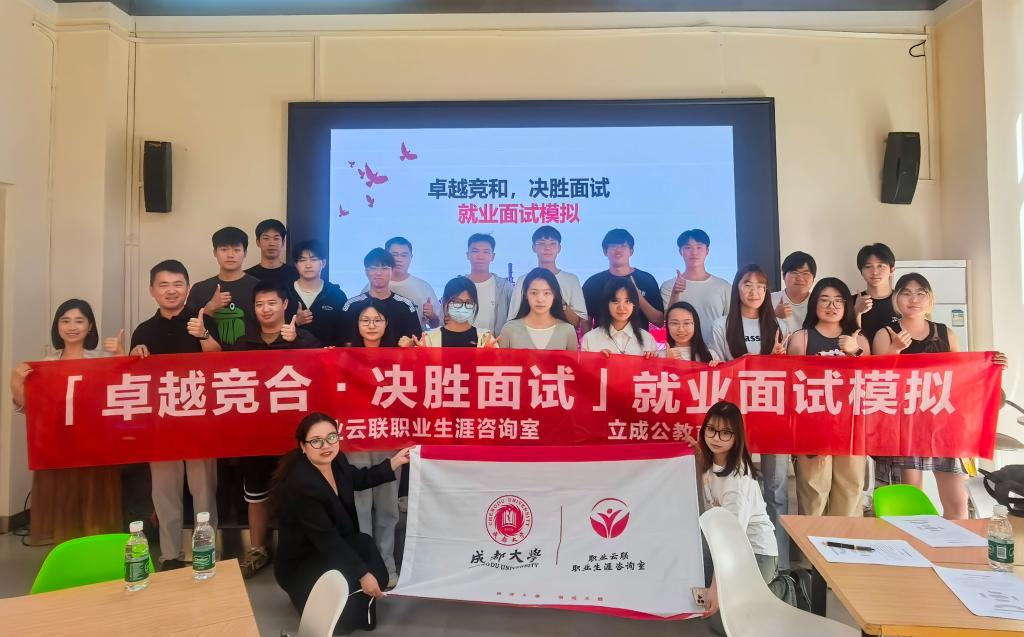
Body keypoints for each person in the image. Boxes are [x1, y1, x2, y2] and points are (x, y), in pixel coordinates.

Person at [871, 273, 1009, 519]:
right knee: (910, 500)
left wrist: (992, 367)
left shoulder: (945, 333)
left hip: (945, 423)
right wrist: (895, 350)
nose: (913, 299)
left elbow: (962, 377)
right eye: (906, 293)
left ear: (930, 299)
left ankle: (953, 544)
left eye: (920, 293)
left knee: (957, 501)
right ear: (896, 299)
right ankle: (912, 544)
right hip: (905, 424)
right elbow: (879, 380)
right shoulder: (886, 333)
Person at [271, 412, 412, 634]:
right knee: (343, 623)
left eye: (331, 437)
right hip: (302, 562)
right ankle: (310, 595)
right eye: (316, 441)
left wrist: (394, 463)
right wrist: (363, 575)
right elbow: (328, 540)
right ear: (303, 446)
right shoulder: (302, 484)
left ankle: (351, 599)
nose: (326, 446)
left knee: (367, 549)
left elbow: (359, 478)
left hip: (326, 549)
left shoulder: (337, 461)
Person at [128, 260, 221, 570]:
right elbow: (134, 381)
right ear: (152, 291)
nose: (171, 291)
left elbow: (221, 364)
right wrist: (133, 357)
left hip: (200, 422)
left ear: (188, 288)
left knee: (204, 493)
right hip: (161, 425)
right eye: (164, 285)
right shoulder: (143, 331)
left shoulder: (202, 321)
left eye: (177, 284)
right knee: (164, 494)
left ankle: (206, 553)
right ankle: (170, 556)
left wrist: (203, 335)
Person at [10, 299, 126, 544]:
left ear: (90, 326)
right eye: (65, 321)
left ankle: (95, 559)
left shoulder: (103, 359)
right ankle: (69, 558)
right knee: (64, 513)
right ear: (57, 326)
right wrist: (16, 384)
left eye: (79, 321)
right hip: (60, 448)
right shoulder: (45, 364)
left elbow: (124, 394)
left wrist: (121, 357)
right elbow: (32, 410)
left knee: (96, 511)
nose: (72, 327)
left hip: (95, 448)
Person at [226, 281, 321, 577]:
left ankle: (302, 552)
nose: (265, 309)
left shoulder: (305, 339)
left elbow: (321, 369)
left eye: (271, 303)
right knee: (256, 495)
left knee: (298, 492)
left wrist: (296, 342)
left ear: (285, 305)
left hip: (294, 435)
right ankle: (257, 550)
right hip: (255, 434)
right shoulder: (243, 343)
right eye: (259, 305)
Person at [709, 264, 789, 570]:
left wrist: (778, 360)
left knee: (776, 488)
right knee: (736, 484)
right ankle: (733, 561)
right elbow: (719, 369)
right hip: (737, 416)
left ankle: (778, 561)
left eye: (760, 286)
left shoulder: (779, 325)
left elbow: (788, 370)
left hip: (772, 414)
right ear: (737, 288)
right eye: (747, 284)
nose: (754, 291)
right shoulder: (722, 325)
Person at [694, 401, 795, 629]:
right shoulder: (711, 462)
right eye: (711, 429)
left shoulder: (737, 483)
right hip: (726, 546)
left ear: (736, 437)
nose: (716, 437)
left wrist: (717, 589)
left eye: (725, 433)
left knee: (731, 619)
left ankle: (780, 588)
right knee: (710, 605)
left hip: (756, 553)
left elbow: (731, 543)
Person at [786, 277, 870, 519]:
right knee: (813, 495)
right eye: (824, 300)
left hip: (850, 428)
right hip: (813, 427)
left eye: (838, 301)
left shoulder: (859, 339)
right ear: (814, 305)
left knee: (850, 493)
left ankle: (846, 544)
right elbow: (792, 382)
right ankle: (810, 545)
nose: (831, 306)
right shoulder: (802, 338)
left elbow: (872, 382)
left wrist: (856, 352)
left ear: (846, 306)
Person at [346, 301, 404, 586]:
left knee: (387, 507)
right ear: (357, 325)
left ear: (386, 324)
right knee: (359, 506)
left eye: (377, 320)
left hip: (389, 438)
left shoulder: (401, 357)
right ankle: (365, 568)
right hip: (355, 439)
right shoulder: (344, 357)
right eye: (365, 320)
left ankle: (387, 567)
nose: (371, 325)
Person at [186, 226, 260, 346]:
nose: (230, 255)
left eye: (236, 250)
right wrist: (209, 308)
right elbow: (187, 329)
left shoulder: (259, 288)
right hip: (208, 355)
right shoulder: (199, 289)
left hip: (251, 354)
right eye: (224, 249)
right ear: (215, 252)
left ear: (245, 253)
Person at [507, 226, 587, 328]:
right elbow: (513, 319)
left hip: (562, 336)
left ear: (559, 248)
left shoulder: (571, 280)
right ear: (533, 248)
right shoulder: (523, 280)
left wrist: (560, 302)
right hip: (528, 336)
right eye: (541, 243)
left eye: (552, 243)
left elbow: (577, 322)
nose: (547, 248)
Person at [659, 229, 731, 343]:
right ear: (680, 251)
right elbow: (665, 321)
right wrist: (675, 293)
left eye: (699, 247)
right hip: (680, 351)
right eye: (688, 248)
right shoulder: (669, 286)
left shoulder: (723, 286)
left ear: (707, 251)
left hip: (715, 350)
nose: (694, 252)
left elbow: (731, 322)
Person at [582, 229, 663, 329]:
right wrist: (588, 339)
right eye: (613, 246)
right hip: (602, 338)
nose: (618, 250)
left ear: (631, 251)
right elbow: (586, 319)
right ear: (605, 252)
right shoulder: (593, 283)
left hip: (638, 338)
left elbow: (659, 321)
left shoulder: (646, 280)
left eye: (623, 246)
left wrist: (638, 297)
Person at [341, 248, 420, 347]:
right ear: (366, 272)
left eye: (384, 268)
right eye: (373, 268)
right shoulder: (351, 306)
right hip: (359, 357)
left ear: (392, 271)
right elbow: (342, 342)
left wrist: (411, 343)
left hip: (396, 357)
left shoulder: (406, 306)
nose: (378, 273)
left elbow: (416, 340)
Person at [360, 237, 439, 332]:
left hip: (415, 340)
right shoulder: (371, 287)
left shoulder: (423, 287)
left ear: (411, 258)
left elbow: (438, 326)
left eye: (404, 255)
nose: (399, 259)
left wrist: (432, 316)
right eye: (394, 255)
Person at [398, 276, 497, 348]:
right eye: (457, 301)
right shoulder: (429, 339)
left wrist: (488, 356)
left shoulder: (485, 338)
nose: (463, 306)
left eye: (468, 302)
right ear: (445, 302)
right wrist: (412, 350)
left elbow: (496, 367)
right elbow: (422, 368)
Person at [497, 268, 578, 351]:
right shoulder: (509, 329)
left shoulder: (568, 331)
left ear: (554, 295)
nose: (540, 299)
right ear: (526, 294)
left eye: (546, 293)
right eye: (534, 293)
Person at [288, 239, 347, 347]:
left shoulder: (337, 295)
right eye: (302, 260)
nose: (308, 265)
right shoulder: (285, 293)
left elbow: (344, 332)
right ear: (296, 264)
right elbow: (273, 330)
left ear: (323, 263)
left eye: (313, 259)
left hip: (327, 355)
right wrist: (296, 322)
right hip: (292, 354)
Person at [581, 276, 657, 356]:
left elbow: (654, 364)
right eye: (615, 301)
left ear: (634, 304)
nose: (621, 307)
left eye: (627, 301)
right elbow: (584, 364)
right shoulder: (590, 338)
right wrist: (596, 360)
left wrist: (652, 359)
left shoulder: (647, 339)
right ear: (607, 304)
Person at [465, 233, 513, 336]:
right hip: (461, 344)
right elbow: (444, 320)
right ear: (467, 255)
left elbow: (514, 321)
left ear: (493, 256)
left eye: (486, 252)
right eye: (475, 251)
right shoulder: (457, 286)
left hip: (494, 344)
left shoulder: (504, 287)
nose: (480, 256)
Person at [853, 243, 900, 343]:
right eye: (868, 266)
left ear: (892, 270)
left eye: (880, 266)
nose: (874, 272)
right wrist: (856, 312)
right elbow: (847, 339)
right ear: (861, 271)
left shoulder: (902, 300)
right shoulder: (851, 302)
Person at [771, 251, 816, 336]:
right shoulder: (769, 299)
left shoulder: (818, 302)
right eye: (794, 272)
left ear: (813, 278)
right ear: (783, 276)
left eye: (805, 273)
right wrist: (774, 315)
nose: (800, 278)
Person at [245, 218, 299, 288]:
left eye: (276, 238)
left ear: (283, 242)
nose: (271, 243)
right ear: (258, 242)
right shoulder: (247, 276)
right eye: (266, 238)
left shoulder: (296, 275)